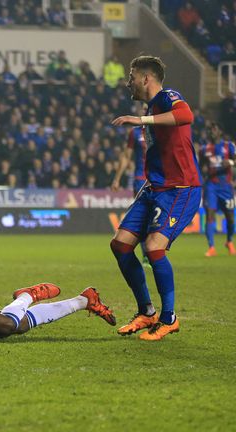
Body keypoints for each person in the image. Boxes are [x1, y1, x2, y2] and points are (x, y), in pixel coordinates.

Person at [110, 55, 202, 341]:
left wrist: (141, 119)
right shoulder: (153, 107)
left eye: (132, 75)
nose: (129, 82)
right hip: (154, 188)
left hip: (180, 189)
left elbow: (187, 116)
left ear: (146, 78)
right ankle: (146, 311)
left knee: (153, 247)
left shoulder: (167, 96)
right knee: (121, 245)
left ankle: (168, 318)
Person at [111, 124, 150, 267]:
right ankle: (146, 255)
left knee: (155, 217)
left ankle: (153, 252)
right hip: (141, 179)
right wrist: (117, 178)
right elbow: (126, 156)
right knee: (144, 216)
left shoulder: (161, 128)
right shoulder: (135, 132)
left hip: (159, 178)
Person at [199, 123, 235, 256]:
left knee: (230, 218)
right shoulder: (204, 149)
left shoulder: (229, 146)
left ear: (220, 131)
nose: (212, 132)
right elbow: (200, 166)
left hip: (226, 186)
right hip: (211, 186)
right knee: (209, 214)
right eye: (210, 130)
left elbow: (235, 159)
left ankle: (229, 241)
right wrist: (202, 172)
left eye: (214, 129)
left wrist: (230, 162)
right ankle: (211, 246)